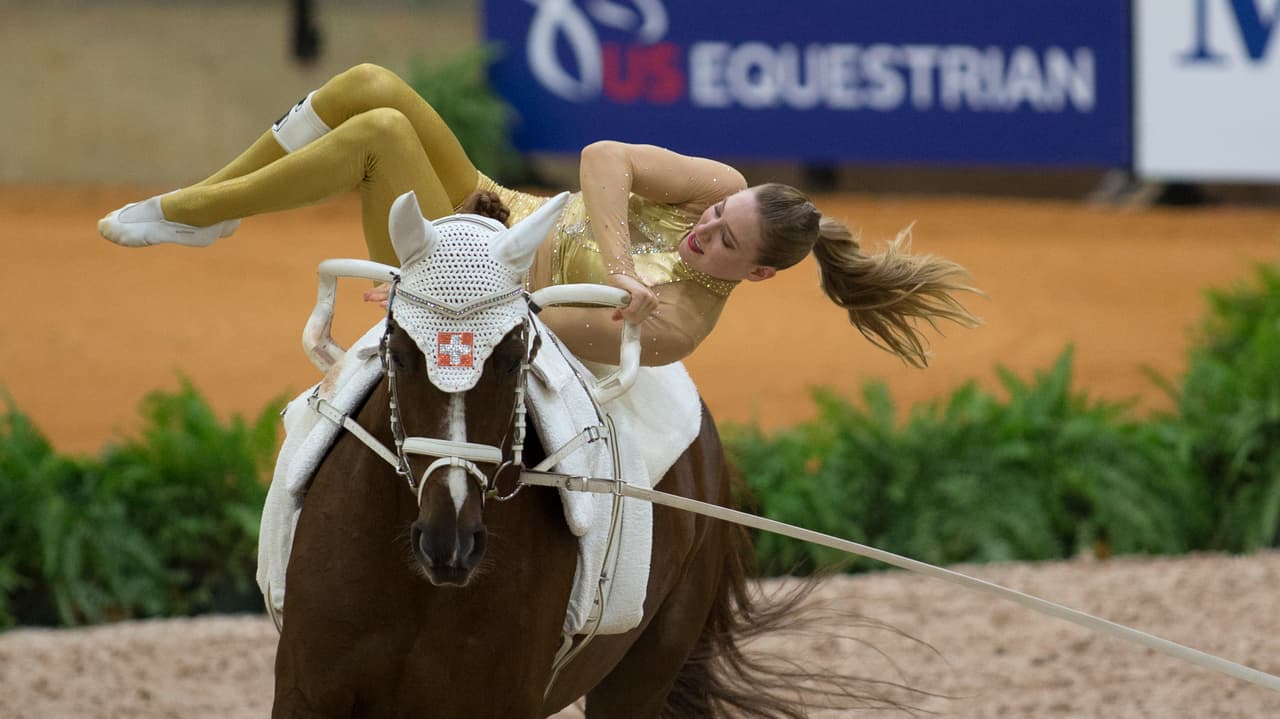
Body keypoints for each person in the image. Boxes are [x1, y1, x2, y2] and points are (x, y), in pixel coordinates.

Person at [99, 63, 979, 367]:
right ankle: (213, 211)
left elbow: (527, 323)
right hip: (495, 202)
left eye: (724, 239)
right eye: (719, 210)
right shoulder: (716, 182)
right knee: (367, 84)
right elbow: (603, 157)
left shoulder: (676, 324)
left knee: (377, 133)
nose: (706, 224)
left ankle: (192, 207)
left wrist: (420, 293)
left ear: (755, 272)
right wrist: (620, 261)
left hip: (462, 268)